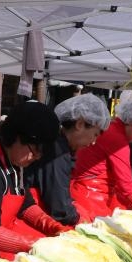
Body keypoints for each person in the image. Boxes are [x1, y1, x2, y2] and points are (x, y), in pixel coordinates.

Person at [0, 101, 62, 260]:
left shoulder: (16, 162)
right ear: (16, 136)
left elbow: (25, 204)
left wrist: (52, 226)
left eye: (40, 153)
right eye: (34, 150)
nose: (36, 157)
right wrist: (36, 245)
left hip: (0, 248)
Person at [25, 94, 111, 228]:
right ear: (80, 124)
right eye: (95, 134)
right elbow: (59, 207)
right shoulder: (58, 151)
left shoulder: (60, 144)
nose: (94, 142)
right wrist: (79, 219)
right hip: (32, 218)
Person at [70, 99, 132, 220]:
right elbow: (126, 187)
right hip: (90, 197)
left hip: (90, 193)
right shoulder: (117, 139)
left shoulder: (113, 129)